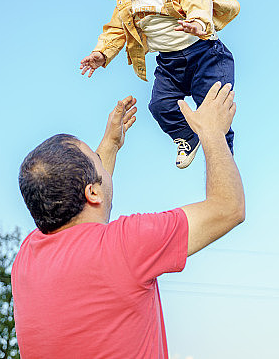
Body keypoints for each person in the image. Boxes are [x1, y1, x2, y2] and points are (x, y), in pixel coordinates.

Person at [12, 82, 244, 359]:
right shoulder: (127, 244)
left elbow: (89, 215)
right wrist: (212, 132)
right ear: (92, 192)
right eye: (96, 160)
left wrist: (109, 146)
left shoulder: (26, 257)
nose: (102, 162)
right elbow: (228, 208)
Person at [79, 0, 240, 169]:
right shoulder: (127, 3)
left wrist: (198, 21)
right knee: (159, 105)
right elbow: (115, 31)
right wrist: (101, 53)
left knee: (212, 108)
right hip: (169, 64)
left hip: (205, 54)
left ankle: (222, 154)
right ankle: (187, 135)